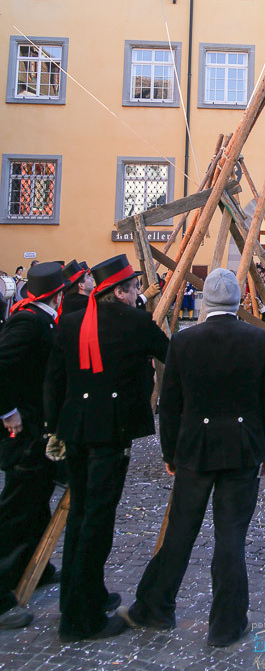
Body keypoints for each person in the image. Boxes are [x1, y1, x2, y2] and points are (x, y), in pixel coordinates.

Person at [119, 269, 265, 648]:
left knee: (180, 532)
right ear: (239, 299)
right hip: (242, 448)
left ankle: (155, 606)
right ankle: (226, 625)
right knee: (231, 536)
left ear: (205, 300)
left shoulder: (184, 341)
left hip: (195, 447)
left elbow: (170, 402)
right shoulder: (259, 340)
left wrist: (170, 451)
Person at [44, 254, 170, 641]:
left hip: (75, 429)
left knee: (81, 515)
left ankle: (82, 597)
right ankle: (81, 620)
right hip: (109, 433)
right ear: (119, 291)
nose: (137, 295)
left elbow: (54, 380)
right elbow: (173, 356)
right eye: (134, 289)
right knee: (98, 521)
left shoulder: (68, 321)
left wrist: (54, 428)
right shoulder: (134, 322)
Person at [0, 262, 67, 630]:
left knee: (36, 503)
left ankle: (33, 568)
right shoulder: (28, 323)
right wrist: (7, 412)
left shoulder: (44, 318)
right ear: (56, 293)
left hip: (37, 431)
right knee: (15, 512)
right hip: (22, 433)